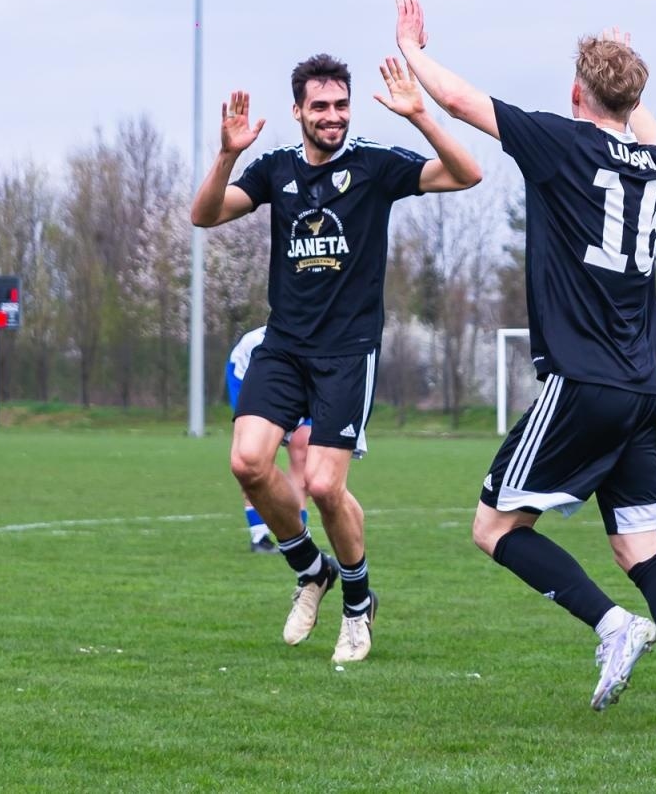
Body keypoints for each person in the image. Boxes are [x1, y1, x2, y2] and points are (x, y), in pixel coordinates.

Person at [395, 0, 656, 736]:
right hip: (641, 388)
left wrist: (412, 48)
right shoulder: (655, 163)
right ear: (634, 100)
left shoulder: (562, 141)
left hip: (583, 381)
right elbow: (648, 128)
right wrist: (627, 78)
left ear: (577, 93)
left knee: (493, 528)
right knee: (639, 549)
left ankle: (613, 625)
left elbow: (460, 100)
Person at [191, 51, 482, 664]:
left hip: (347, 353)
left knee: (324, 485)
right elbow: (204, 215)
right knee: (247, 463)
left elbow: (466, 174)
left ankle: (357, 603)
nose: (333, 116)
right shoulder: (275, 169)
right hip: (284, 346)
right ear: (298, 111)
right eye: (320, 106)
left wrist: (420, 116)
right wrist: (227, 154)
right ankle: (311, 570)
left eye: (341, 105)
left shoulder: (373, 165)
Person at [227, 326, 311, 553]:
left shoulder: (327, 342)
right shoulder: (256, 343)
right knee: (254, 456)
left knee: (303, 450)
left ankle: (300, 537)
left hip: (302, 382)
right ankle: (259, 536)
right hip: (248, 376)